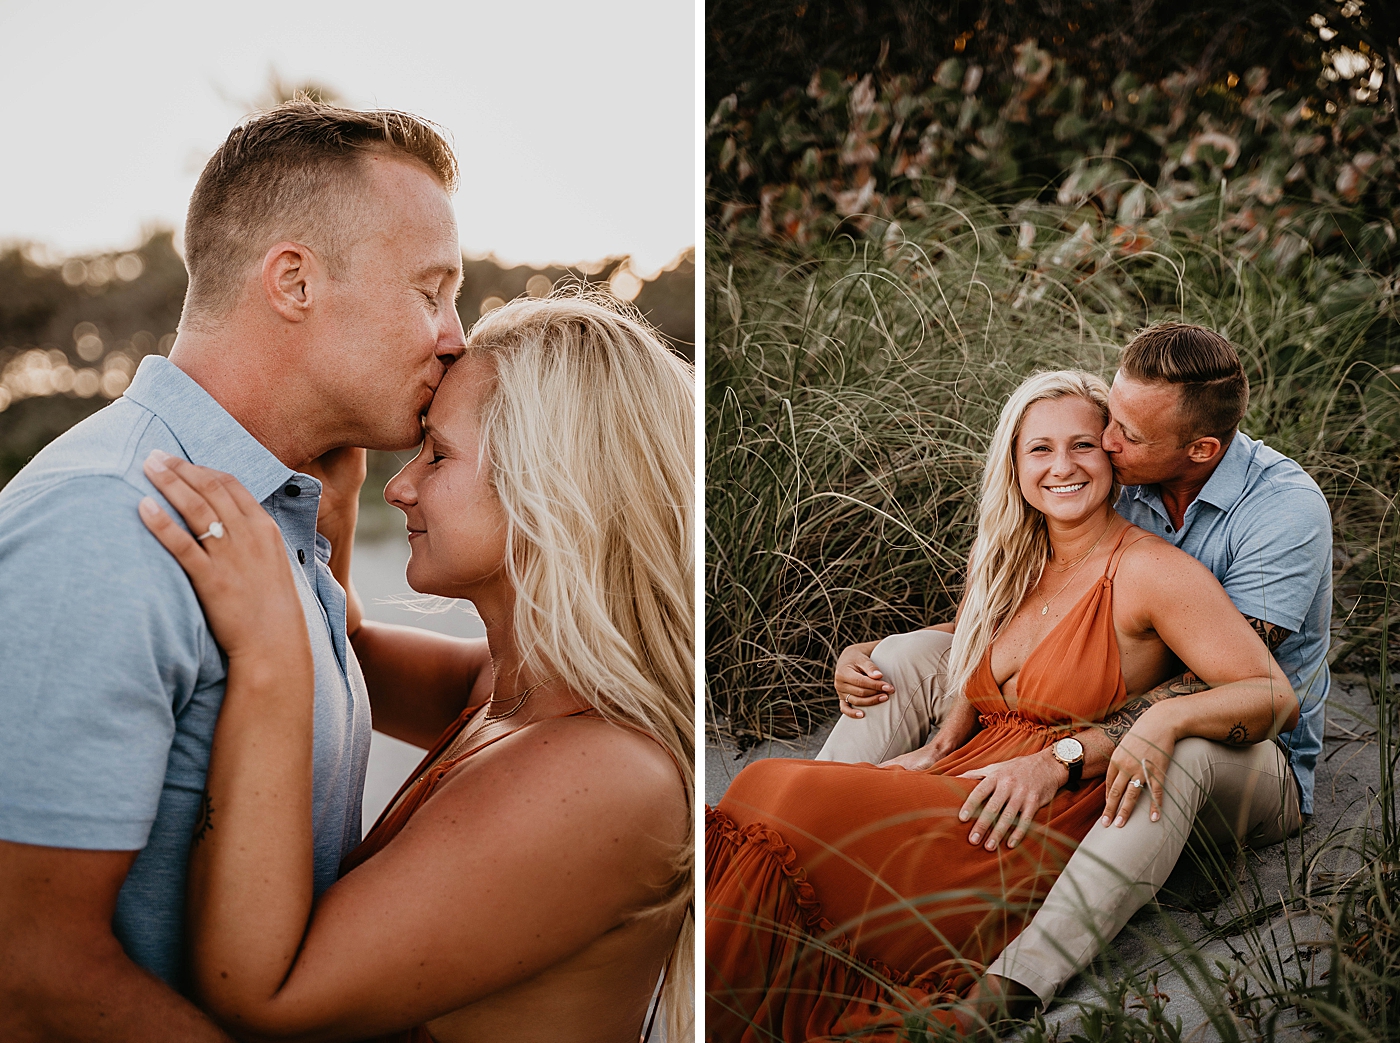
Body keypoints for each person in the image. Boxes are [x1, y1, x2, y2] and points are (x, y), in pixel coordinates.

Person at [0, 101, 467, 1041]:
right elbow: (27, 973)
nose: (455, 335)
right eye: (430, 290)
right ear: (293, 280)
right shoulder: (112, 520)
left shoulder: (264, 521)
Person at [138, 293, 695, 1042]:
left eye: (437, 454)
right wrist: (329, 523)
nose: (399, 485)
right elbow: (353, 654)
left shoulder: (605, 773)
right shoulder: (510, 692)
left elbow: (267, 997)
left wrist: (267, 657)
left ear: (549, 488)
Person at [705, 369, 1301, 1041]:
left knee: (770, 790)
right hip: (974, 776)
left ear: (1111, 454)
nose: (1063, 466)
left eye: (1082, 444)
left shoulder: (1149, 571)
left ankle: (1004, 989)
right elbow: (963, 648)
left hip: (1046, 805)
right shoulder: (1011, 559)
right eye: (1039, 449)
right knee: (772, 799)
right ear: (1013, 464)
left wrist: (1145, 724)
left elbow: (1273, 694)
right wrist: (870, 655)